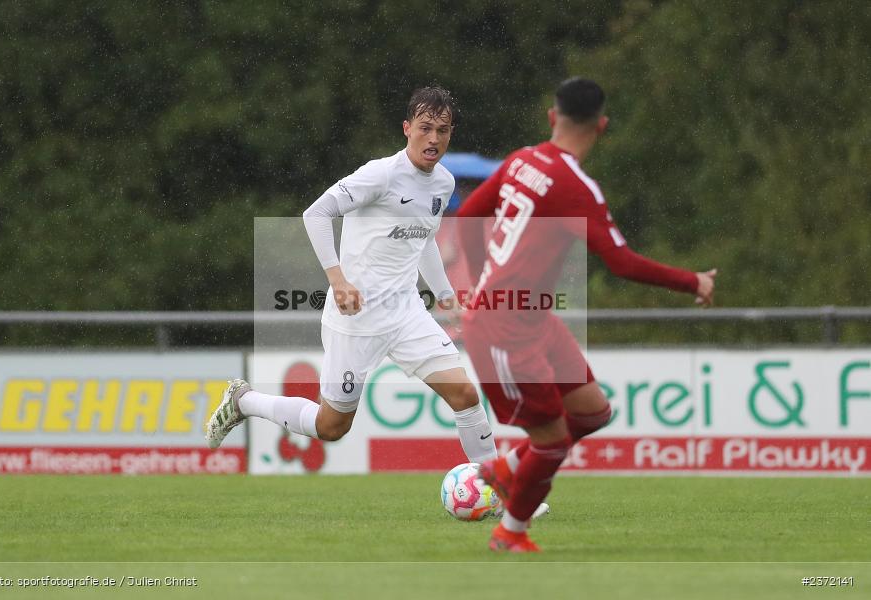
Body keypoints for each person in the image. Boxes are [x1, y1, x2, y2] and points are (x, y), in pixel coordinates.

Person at [457, 77, 717, 552]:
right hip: (505, 329)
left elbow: (468, 215)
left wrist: (478, 281)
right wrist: (692, 281)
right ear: (602, 126)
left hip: (534, 320)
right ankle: (510, 532)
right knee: (552, 443)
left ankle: (507, 468)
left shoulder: (520, 160)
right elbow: (622, 263)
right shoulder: (577, 188)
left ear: (552, 117)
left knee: (593, 412)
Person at [206, 86, 500, 473]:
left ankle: (504, 490)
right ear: (407, 128)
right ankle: (244, 401)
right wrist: (338, 279)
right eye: (425, 128)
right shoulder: (380, 174)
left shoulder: (444, 183)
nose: (433, 138)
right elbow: (316, 214)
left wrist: (445, 296)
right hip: (355, 318)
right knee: (331, 426)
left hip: (406, 313)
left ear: (451, 133)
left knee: (465, 394)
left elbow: (425, 239)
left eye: (442, 130)